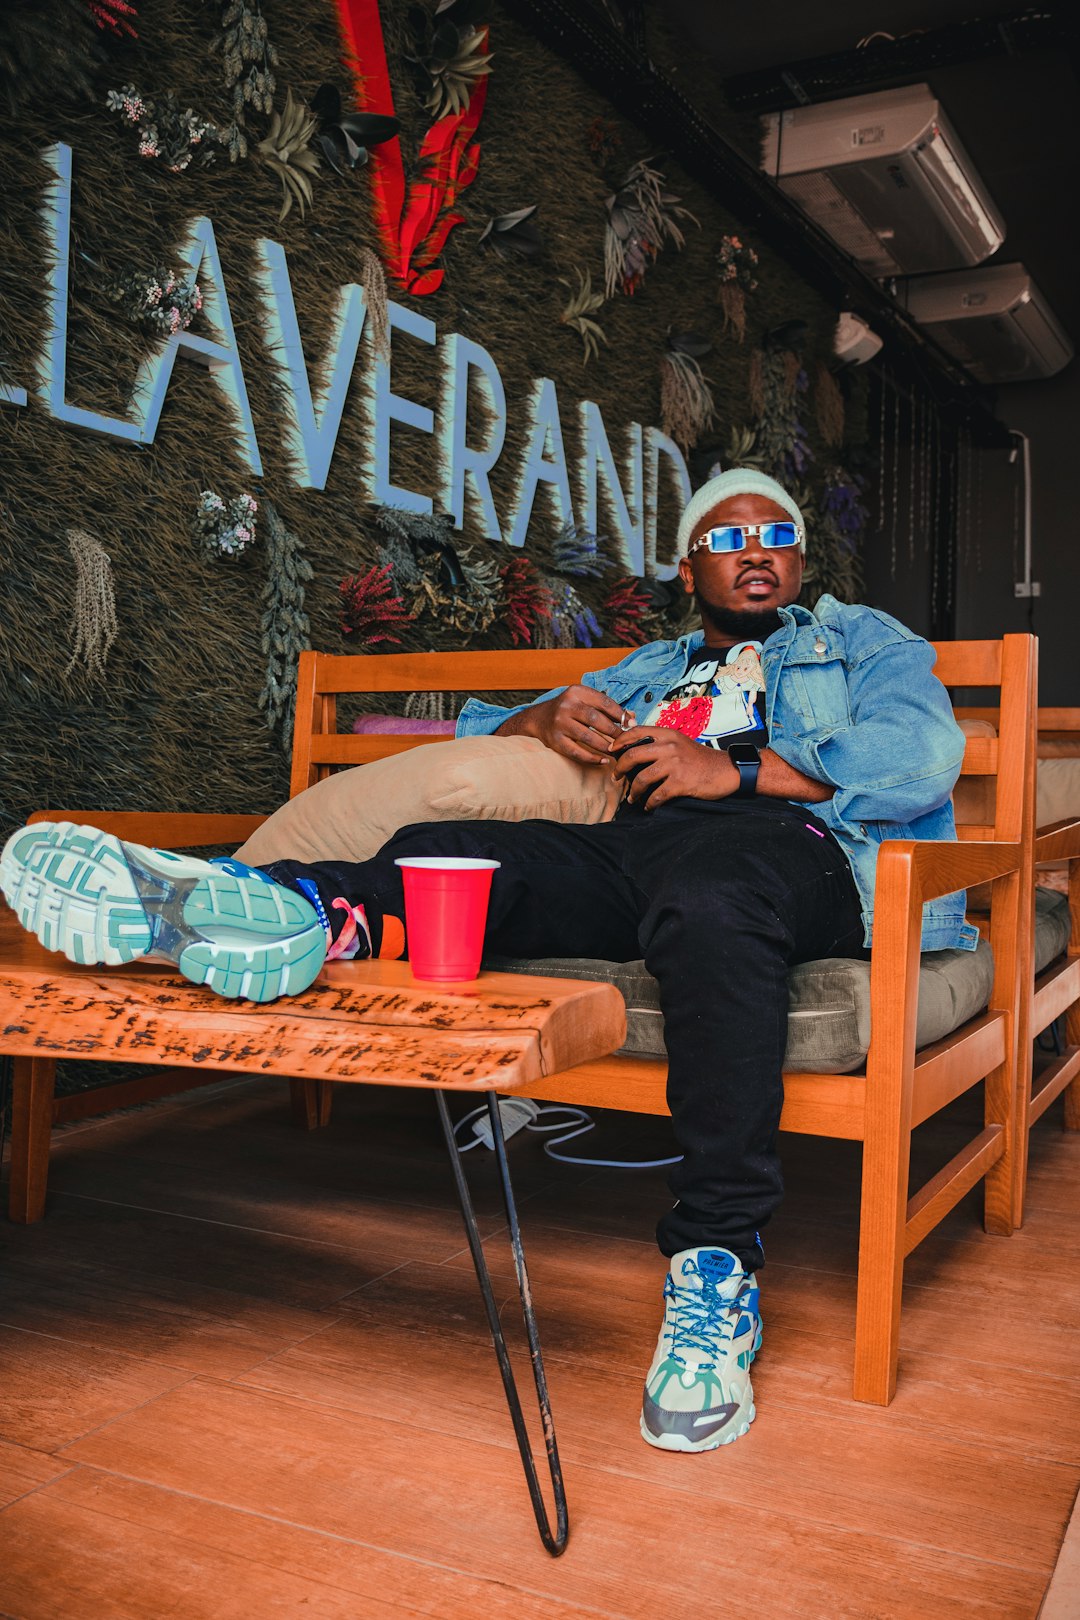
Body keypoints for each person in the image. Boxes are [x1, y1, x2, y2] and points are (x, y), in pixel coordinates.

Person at [0, 468, 972, 1453]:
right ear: (690, 568)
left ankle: (716, 1260)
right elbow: (481, 733)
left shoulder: (854, 638)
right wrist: (539, 722)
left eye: (775, 533)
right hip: (633, 847)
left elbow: (921, 754)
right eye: (728, 537)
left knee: (712, 893)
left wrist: (740, 770)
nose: (755, 548)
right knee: (461, 858)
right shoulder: (649, 667)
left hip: (792, 853)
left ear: (799, 560)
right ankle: (282, 908)